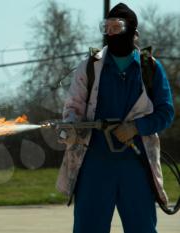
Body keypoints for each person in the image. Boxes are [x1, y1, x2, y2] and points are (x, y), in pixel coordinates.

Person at [56, 3, 174, 233]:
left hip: (137, 166)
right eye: (106, 28)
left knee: (142, 228)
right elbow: (72, 108)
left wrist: (137, 127)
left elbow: (166, 112)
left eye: (117, 27)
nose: (111, 33)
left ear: (133, 32)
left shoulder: (150, 68)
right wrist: (69, 127)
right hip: (94, 165)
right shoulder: (89, 67)